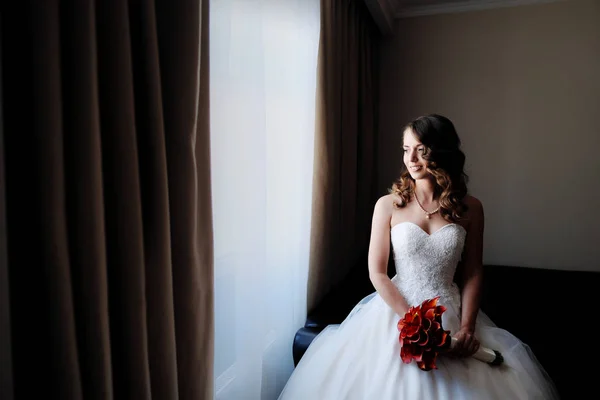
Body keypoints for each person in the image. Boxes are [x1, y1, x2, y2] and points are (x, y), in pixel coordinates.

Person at [278, 114, 559, 399]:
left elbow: (473, 271)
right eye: (406, 149)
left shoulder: (471, 209)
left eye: (421, 149)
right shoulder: (387, 205)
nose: (411, 158)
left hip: (450, 312)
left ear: (442, 151)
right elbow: (377, 272)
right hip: (395, 314)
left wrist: (467, 328)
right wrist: (414, 322)